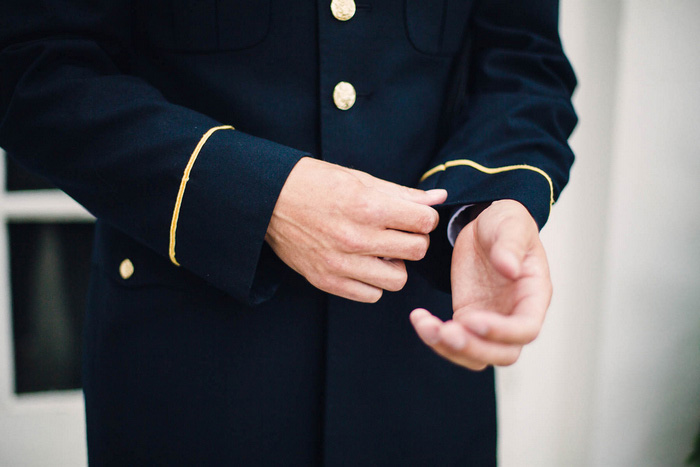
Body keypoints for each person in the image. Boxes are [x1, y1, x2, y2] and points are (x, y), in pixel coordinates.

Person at [0, 0, 576, 465]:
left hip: (420, 369)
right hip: (189, 379)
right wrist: (259, 196)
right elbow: (33, 62)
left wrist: (488, 205)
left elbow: (523, 66)